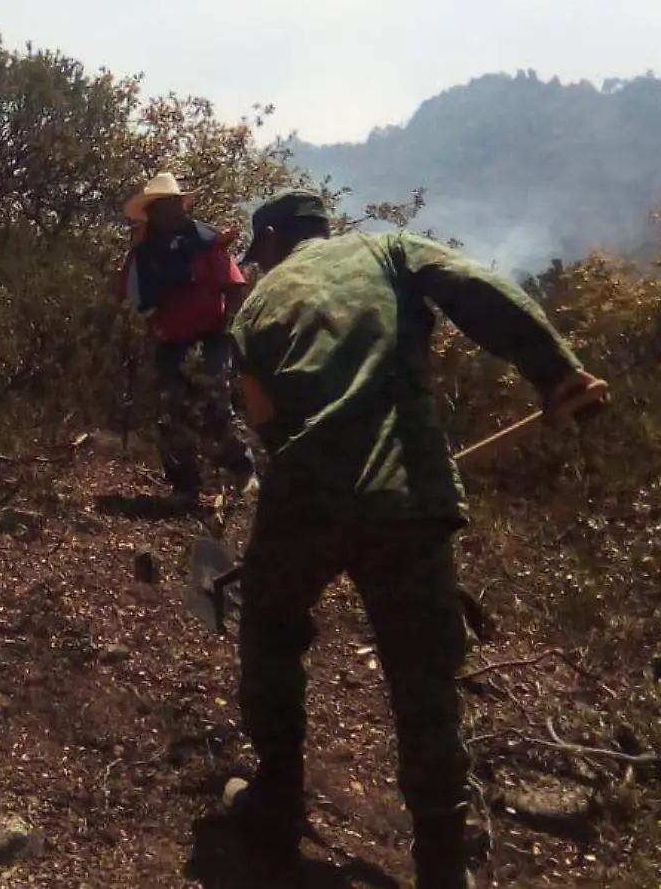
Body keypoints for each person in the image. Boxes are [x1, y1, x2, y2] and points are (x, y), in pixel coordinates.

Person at [224, 188, 606, 888]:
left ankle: (276, 802)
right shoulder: (389, 248)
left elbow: (265, 420)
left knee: (270, 633)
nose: (260, 260)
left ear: (274, 239)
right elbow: (475, 286)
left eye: (261, 249)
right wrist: (554, 369)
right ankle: (439, 862)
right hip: (408, 497)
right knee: (423, 682)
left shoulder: (255, 304)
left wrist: (315, 470)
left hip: (305, 495)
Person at [113, 172, 257, 508]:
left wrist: (226, 326)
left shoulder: (206, 244)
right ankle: (184, 487)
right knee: (171, 414)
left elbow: (234, 286)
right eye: (157, 207)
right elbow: (125, 295)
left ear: (179, 207)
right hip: (169, 343)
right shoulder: (144, 255)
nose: (163, 212)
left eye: (168, 205)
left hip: (211, 339)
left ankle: (243, 468)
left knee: (214, 410)